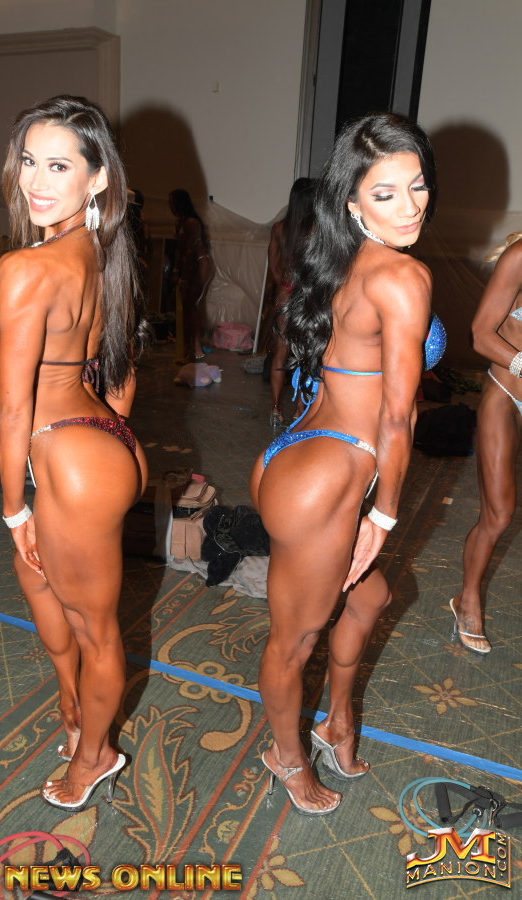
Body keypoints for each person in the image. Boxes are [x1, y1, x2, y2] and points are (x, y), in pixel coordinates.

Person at [250, 112, 441, 815]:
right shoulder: (404, 276)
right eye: (385, 193)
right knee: (294, 640)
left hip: (301, 456)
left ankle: (336, 721)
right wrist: (383, 517)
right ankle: (285, 755)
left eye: (417, 185)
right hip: (328, 478)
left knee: (370, 598)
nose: (409, 206)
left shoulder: (342, 258)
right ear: (353, 202)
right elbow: (396, 417)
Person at [0, 95, 148, 810]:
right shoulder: (102, 254)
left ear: (97, 177)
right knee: (45, 590)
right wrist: (109, 444)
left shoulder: (27, 266)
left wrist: (15, 507)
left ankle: (96, 755)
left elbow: (12, 406)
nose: (37, 181)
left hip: (66, 454)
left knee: (94, 629)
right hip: (96, 442)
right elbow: (121, 367)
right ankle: (75, 714)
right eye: (29, 161)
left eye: (59, 165)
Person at [449, 233, 522, 654]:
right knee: (499, 513)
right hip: (507, 393)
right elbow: (480, 335)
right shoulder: (519, 256)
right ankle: (468, 597)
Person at [267, 178, 315, 429]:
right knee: (306, 355)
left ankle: (275, 409)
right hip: (307, 297)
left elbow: (274, 269)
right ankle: (299, 410)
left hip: (285, 293)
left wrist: (285, 285)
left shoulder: (279, 228)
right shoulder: (317, 229)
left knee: (280, 354)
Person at [169, 189, 214, 361]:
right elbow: (179, 250)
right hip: (190, 266)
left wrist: (184, 277)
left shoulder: (192, 223)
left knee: (192, 305)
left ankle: (196, 348)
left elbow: (190, 251)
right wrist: (175, 271)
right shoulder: (180, 223)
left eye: (173, 203)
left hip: (200, 264)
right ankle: (190, 347)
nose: (171, 207)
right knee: (188, 306)